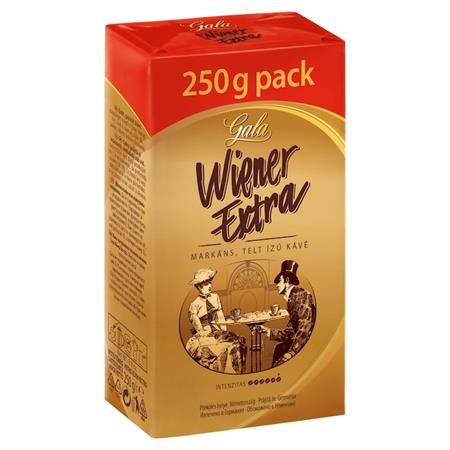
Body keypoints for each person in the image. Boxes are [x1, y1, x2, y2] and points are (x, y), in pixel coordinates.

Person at [185, 268, 246, 373]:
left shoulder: (215, 297)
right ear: (199, 286)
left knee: (236, 343)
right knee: (212, 349)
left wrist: (223, 331)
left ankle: (233, 372)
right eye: (206, 284)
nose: (210, 286)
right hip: (205, 334)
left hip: (217, 330)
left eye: (210, 283)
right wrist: (206, 334)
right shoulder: (194, 304)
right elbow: (198, 327)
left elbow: (220, 315)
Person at [262, 260, 316, 367]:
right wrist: (268, 331)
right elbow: (290, 332)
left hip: (308, 343)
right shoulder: (292, 298)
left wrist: (291, 353)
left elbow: (304, 328)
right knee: (279, 349)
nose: (276, 285)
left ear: (286, 280)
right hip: (299, 340)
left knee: (281, 356)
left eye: (279, 281)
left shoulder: (303, 295)